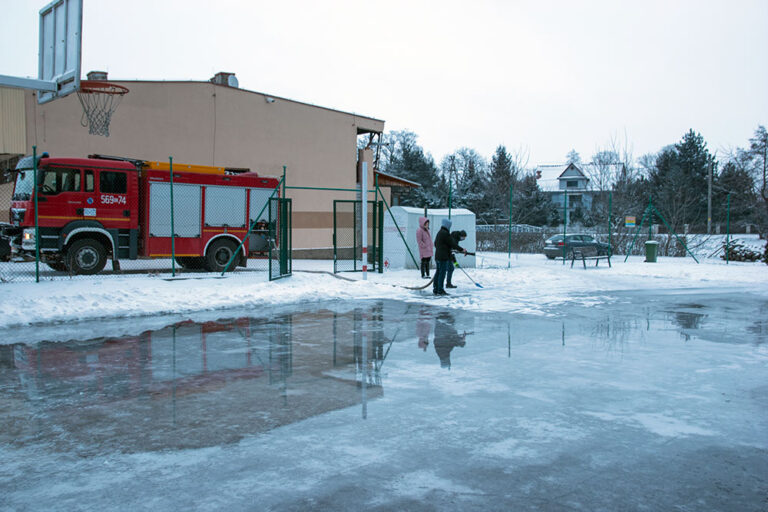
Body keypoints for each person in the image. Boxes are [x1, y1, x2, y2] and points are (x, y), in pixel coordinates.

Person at [433, 218, 466, 295]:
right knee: (442, 273)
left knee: (438, 272)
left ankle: (436, 289)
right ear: (447, 225)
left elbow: (435, 244)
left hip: (437, 256)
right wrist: (462, 249)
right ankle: (440, 290)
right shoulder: (445, 233)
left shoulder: (439, 233)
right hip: (443, 257)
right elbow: (453, 244)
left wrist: (443, 248)